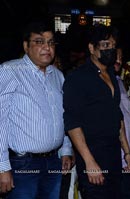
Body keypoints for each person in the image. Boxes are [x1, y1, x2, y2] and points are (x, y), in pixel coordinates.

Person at [0, 21, 72, 199]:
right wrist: (2, 167)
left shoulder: (57, 75)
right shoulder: (10, 70)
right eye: (39, 42)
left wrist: (66, 150)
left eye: (51, 42)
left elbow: (63, 115)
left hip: (54, 161)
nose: (47, 47)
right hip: (22, 163)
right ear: (26, 46)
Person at [63, 24, 130, 199]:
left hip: (113, 155)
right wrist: (89, 162)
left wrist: (126, 152)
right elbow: (73, 123)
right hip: (92, 153)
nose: (110, 49)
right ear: (91, 48)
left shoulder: (111, 75)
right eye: (105, 45)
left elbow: (117, 118)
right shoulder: (77, 78)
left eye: (112, 45)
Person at [114, 48, 130, 199]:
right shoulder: (98, 83)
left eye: (121, 57)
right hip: (113, 159)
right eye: (115, 56)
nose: (119, 60)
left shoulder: (119, 81)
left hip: (127, 157)